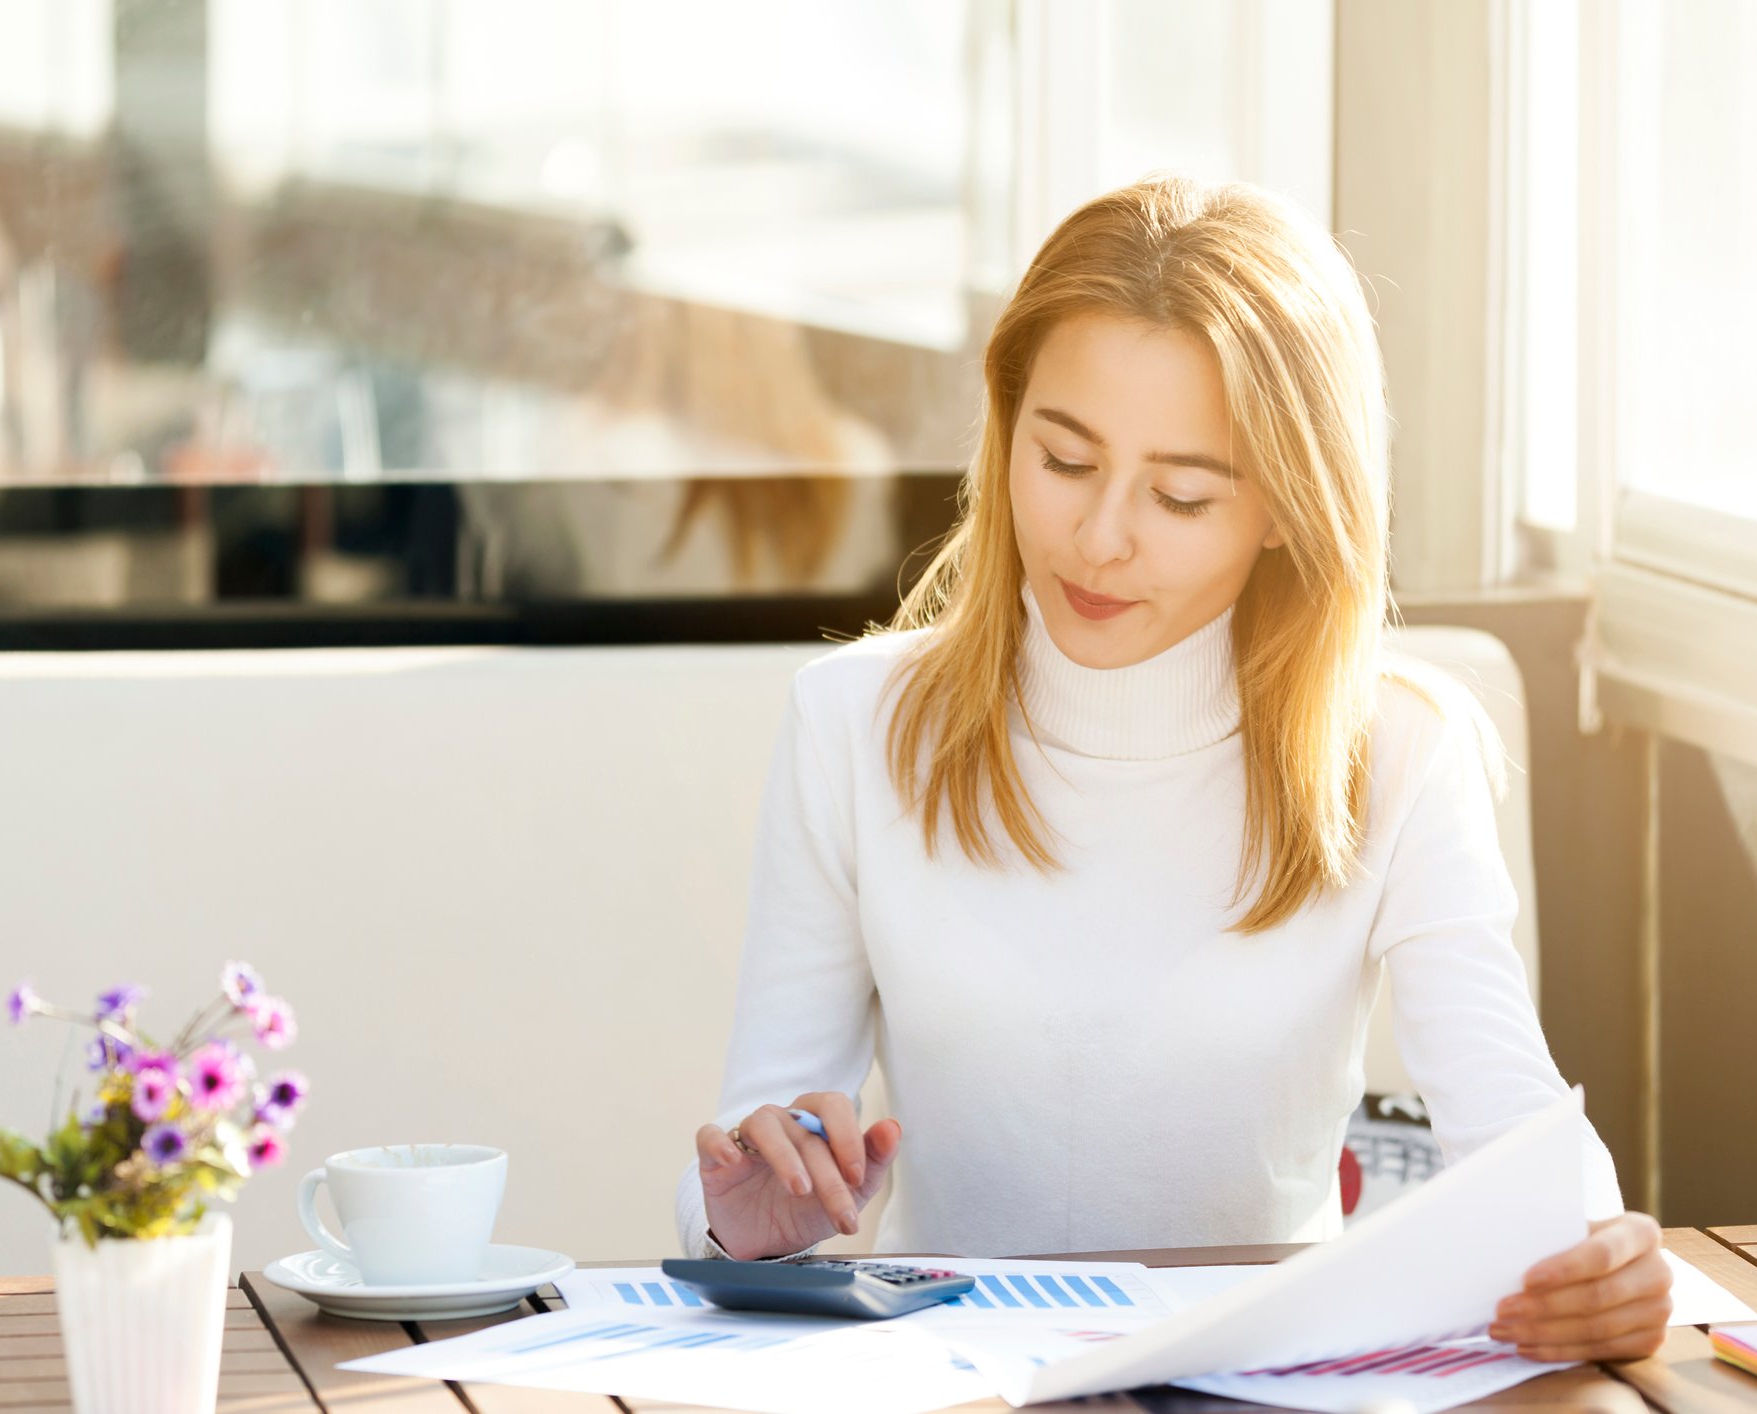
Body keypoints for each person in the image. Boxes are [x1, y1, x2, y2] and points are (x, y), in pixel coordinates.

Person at [675, 175, 1671, 1365]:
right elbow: (750, 1149)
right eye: (1063, 460)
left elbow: (1517, 1134)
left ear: (1289, 508)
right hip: (956, 1382)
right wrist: (753, 1219)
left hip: (1273, 1378)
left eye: (1182, 494)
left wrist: (1599, 1251)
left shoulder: (1400, 747)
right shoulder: (853, 720)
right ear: (1006, 431)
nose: (1101, 540)